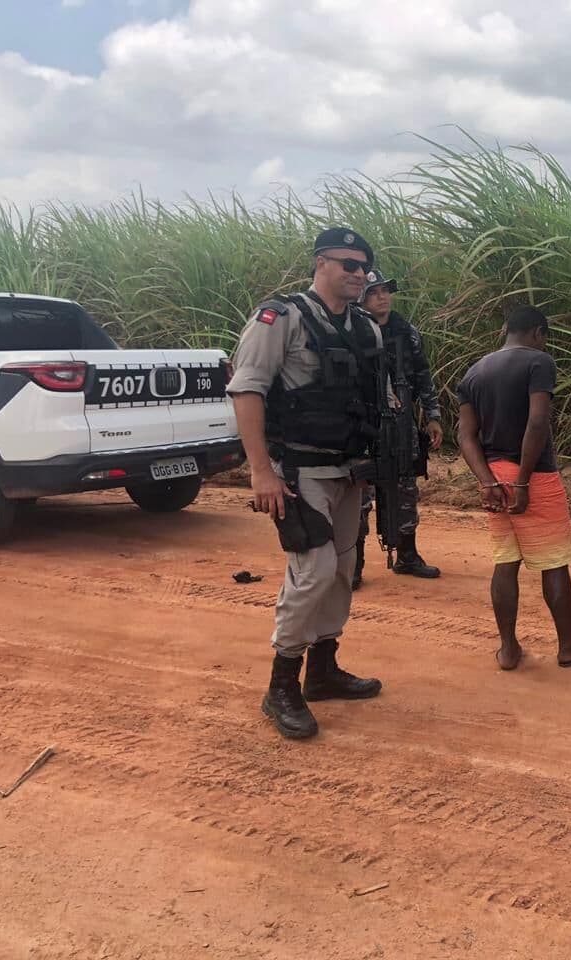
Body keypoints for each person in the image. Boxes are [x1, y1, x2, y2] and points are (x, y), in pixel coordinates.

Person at [227, 227, 386, 740]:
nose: (359, 274)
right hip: (300, 471)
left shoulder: (366, 328)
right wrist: (260, 471)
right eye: (348, 264)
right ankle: (281, 686)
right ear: (321, 263)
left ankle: (323, 669)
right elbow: (247, 390)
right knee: (313, 572)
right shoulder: (282, 318)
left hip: (350, 470)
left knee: (342, 571)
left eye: (364, 266)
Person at [455, 305, 571, 671]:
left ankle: (508, 649)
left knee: (505, 562)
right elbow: (537, 423)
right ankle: (568, 646)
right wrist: (522, 479)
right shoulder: (539, 362)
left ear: (507, 330)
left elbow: (465, 435)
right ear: (538, 333)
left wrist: (486, 481)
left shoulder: (474, 372)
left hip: (494, 474)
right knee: (554, 563)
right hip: (532, 475)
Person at [351, 269, 444, 587]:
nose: (383, 297)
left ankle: (407, 555)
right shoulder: (350, 330)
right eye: (375, 292)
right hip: (362, 425)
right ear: (361, 297)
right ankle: (354, 564)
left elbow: (423, 374)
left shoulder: (406, 332)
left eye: (386, 291)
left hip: (401, 423)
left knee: (405, 486)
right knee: (359, 496)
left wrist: (432, 415)